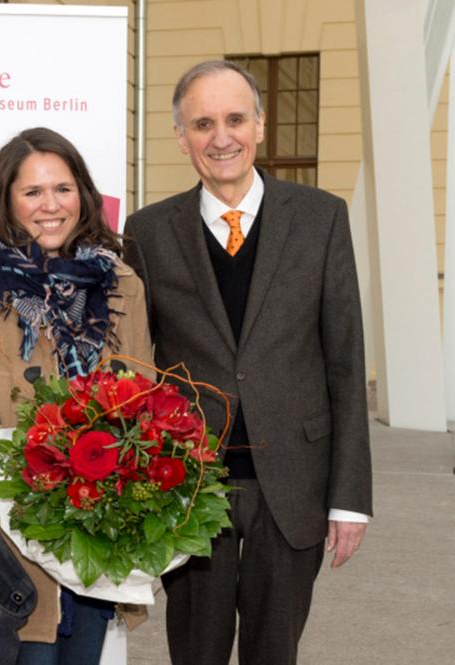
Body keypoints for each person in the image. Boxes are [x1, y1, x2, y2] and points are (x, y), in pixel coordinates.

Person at [123, 60, 373, 665]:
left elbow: (345, 361)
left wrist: (350, 497)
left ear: (259, 125)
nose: (221, 136)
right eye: (202, 123)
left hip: (294, 485)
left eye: (235, 118)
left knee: (275, 653)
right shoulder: (148, 232)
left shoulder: (321, 218)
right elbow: (132, 360)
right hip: (188, 490)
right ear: (181, 137)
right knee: (195, 653)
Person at [0, 127, 153, 664]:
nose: (49, 205)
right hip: (17, 530)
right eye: (32, 192)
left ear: (83, 194)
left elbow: (143, 399)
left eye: (62, 188)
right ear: (7, 201)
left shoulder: (122, 284)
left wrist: (107, 476)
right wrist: (34, 472)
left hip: (101, 528)